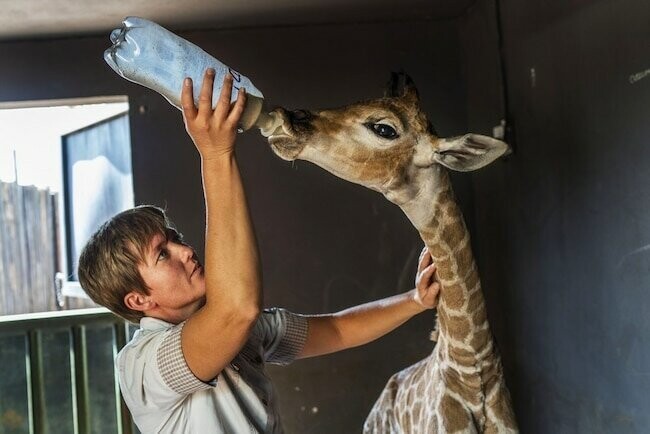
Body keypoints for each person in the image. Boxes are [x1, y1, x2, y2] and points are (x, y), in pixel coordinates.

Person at [78, 68, 441, 433]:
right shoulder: (142, 366)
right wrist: (215, 154)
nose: (185, 250)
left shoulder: (245, 330)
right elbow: (235, 310)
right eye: (162, 254)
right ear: (138, 300)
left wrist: (415, 300)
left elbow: (336, 330)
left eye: (174, 237)